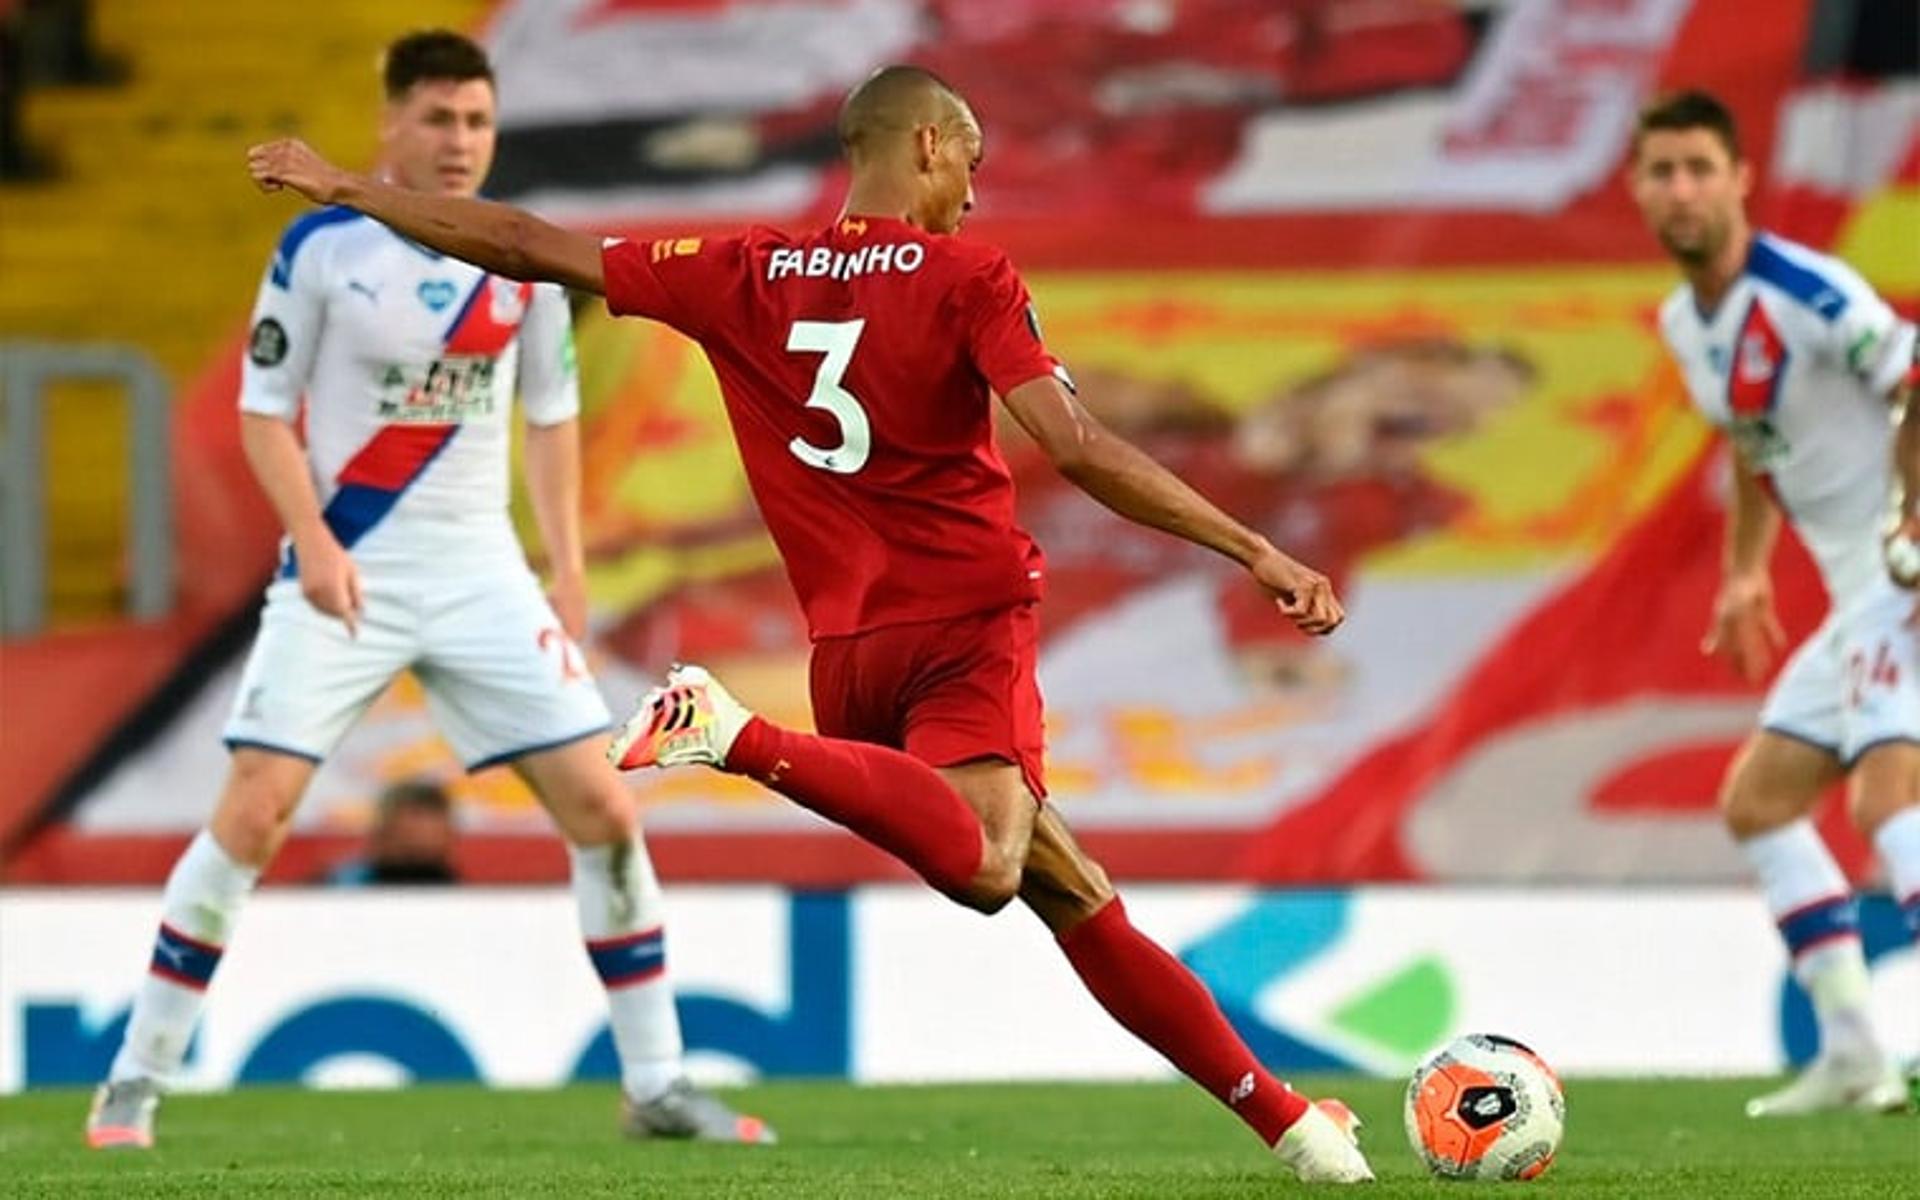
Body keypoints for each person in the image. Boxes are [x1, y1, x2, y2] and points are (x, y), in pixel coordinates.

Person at [246, 64, 1373, 1182]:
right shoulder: (968, 274)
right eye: (970, 165)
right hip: (965, 624)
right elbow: (1073, 446)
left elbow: (523, 241)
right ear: (929, 146)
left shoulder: (737, 268)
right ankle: (732, 734)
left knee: (1066, 887)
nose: (972, 197)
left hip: (846, 656)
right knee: (990, 864)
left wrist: (354, 189)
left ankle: (1298, 1131)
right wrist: (1254, 547)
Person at [87, 30, 772, 1150]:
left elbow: (549, 419)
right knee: (254, 814)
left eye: (478, 122)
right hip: (346, 561)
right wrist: (313, 539)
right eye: (441, 120)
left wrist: (567, 565)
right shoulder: (318, 250)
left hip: (479, 574)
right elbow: (263, 413)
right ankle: (136, 1079)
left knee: (604, 809)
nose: (461, 143)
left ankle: (656, 1085)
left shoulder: (518, 255)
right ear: (391, 125)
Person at [1630, 89, 1920, 1116]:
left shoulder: (1806, 290)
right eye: (1662, 171)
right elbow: (1755, 447)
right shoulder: (1684, 322)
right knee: (1759, 802)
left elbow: (1916, 374)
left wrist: (1913, 521)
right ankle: (1851, 1051)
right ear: (1639, 188)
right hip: (1856, 593)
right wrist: (1746, 571)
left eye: (1700, 168)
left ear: (1741, 178)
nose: (1682, 189)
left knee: (1891, 803)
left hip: (1900, 574)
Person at [322, 778, 461, 886]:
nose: (427, 835)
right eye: (417, 818)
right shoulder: (341, 884)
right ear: (384, 829)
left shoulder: (454, 889)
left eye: (437, 830)